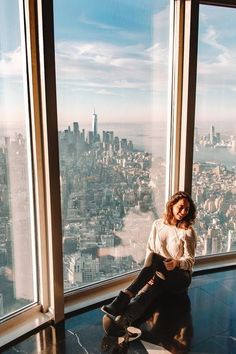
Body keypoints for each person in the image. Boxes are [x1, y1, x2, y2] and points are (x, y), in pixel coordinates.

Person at [101, 191, 197, 330]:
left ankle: (124, 297)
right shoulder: (158, 225)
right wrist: (150, 274)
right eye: (180, 207)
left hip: (179, 277)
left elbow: (190, 261)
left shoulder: (187, 231)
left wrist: (176, 262)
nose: (183, 212)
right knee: (144, 295)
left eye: (187, 209)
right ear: (171, 205)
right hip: (160, 274)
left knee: (154, 258)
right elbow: (150, 249)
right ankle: (123, 321)